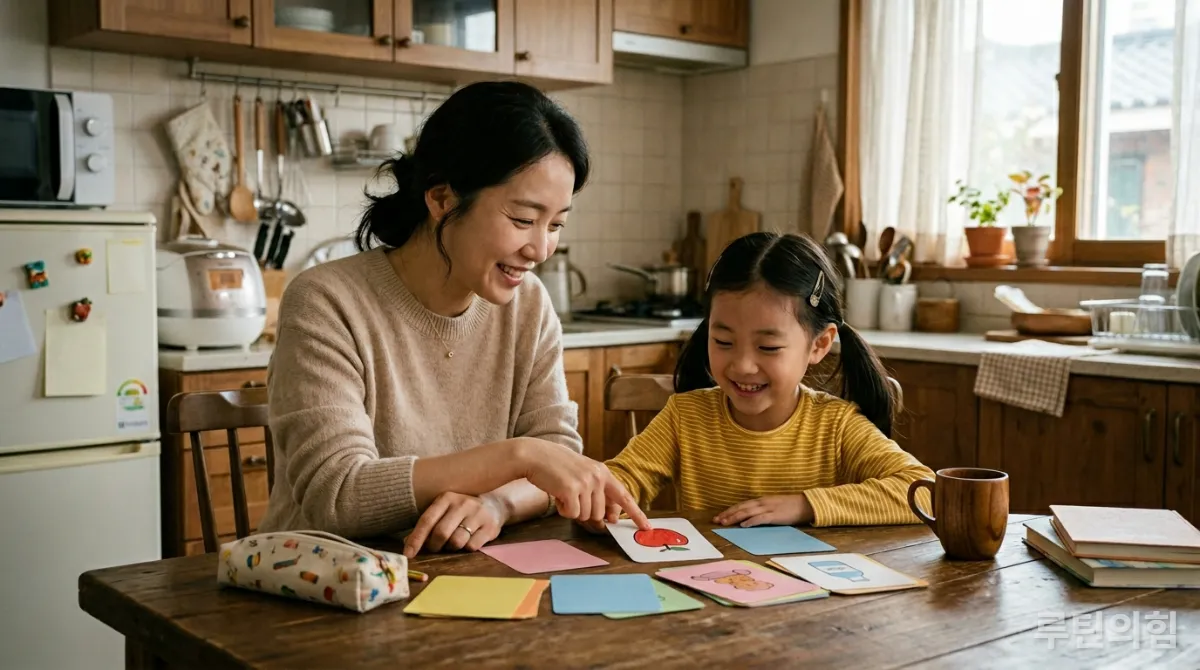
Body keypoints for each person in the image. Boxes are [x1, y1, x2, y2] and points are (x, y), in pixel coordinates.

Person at [259, 81, 649, 558]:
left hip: (459, 575)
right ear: (442, 198)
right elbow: (337, 494)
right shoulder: (326, 300)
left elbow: (556, 462)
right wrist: (519, 456)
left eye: (556, 225)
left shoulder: (528, 304)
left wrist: (498, 504)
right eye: (524, 219)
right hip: (320, 585)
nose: (541, 249)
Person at [587, 231, 934, 531]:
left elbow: (927, 492)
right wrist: (603, 502)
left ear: (819, 345)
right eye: (723, 341)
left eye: (768, 347)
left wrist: (805, 505)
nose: (742, 366)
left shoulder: (836, 427)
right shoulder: (685, 416)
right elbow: (622, 481)